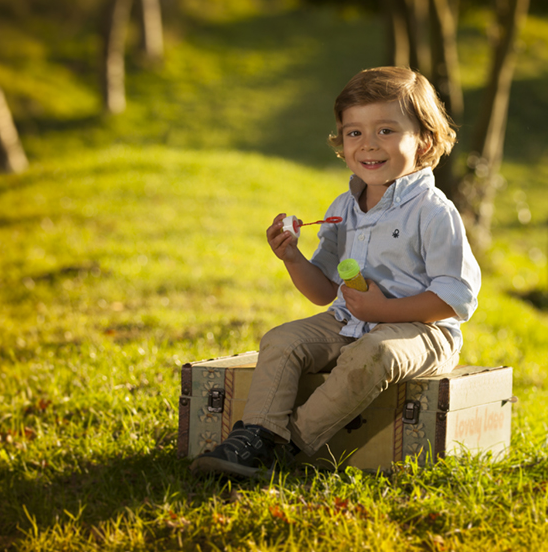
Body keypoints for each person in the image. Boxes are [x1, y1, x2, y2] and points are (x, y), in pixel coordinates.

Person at [191, 66, 481, 479]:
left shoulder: (433, 212)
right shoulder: (342, 209)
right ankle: (254, 437)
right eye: (354, 133)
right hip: (348, 321)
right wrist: (292, 257)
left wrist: (382, 312)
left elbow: (455, 299)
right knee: (281, 340)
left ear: (425, 142)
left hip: (423, 331)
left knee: (374, 354)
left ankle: (288, 449)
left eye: (386, 131)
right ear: (342, 143)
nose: (368, 145)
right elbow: (323, 291)